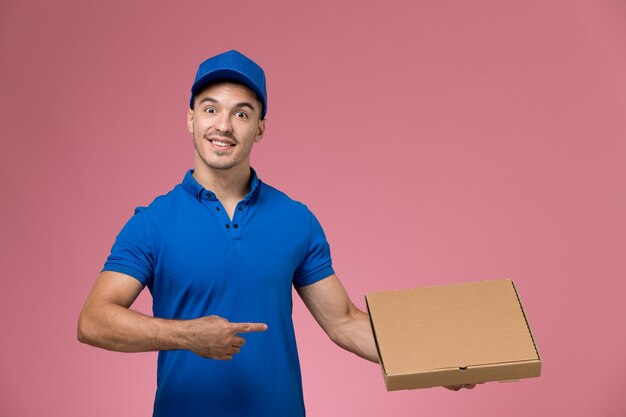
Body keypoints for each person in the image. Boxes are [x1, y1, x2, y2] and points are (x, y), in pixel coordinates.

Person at [77, 50, 473, 417]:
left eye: (242, 114)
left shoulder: (295, 219)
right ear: (190, 119)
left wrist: (432, 361)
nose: (224, 125)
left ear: (260, 129)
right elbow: (94, 320)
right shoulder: (152, 223)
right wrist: (187, 335)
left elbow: (345, 322)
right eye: (210, 109)